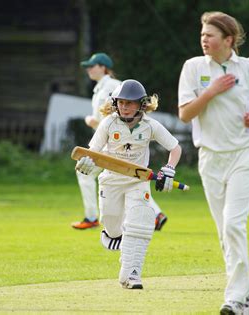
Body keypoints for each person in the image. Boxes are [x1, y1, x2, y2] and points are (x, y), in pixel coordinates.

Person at [177, 12, 249, 315]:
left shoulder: (247, 67)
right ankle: (244, 293)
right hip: (210, 158)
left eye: (210, 35)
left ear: (229, 40)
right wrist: (211, 91)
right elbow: (185, 114)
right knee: (224, 231)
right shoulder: (193, 68)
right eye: (202, 35)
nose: (204, 40)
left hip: (242, 155)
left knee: (234, 224)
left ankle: (235, 297)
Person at [75, 79, 182, 289]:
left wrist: (169, 169)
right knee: (113, 226)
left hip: (137, 181)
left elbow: (175, 148)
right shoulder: (108, 123)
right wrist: (86, 163)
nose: (124, 107)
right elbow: (93, 151)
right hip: (111, 181)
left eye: (130, 103)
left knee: (140, 221)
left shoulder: (150, 125)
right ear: (115, 103)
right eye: (121, 102)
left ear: (141, 104)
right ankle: (121, 245)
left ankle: (132, 274)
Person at [72, 53, 169, 231]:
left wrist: (93, 122)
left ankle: (92, 217)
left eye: (92, 65)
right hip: (105, 142)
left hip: (116, 144)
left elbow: (122, 114)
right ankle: (156, 214)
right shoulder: (99, 89)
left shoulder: (113, 86)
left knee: (124, 175)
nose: (89, 69)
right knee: (131, 175)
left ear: (103, 67)